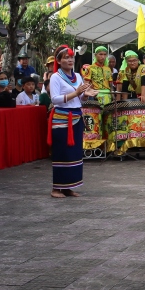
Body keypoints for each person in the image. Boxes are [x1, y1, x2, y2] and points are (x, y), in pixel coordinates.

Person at [48, 45, 92, 197]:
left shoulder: (78, 76)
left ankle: (68, 186)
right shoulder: (55, 77)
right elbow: (55, 99)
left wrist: (86, 94)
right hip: (62, 118)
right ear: (59, 61)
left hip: (76, 116)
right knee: (62, 152)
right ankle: (56, 188)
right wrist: (76, 92)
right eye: (66, 57)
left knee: (74, 153)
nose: (70, 60)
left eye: (72, 57)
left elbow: (80, 98)